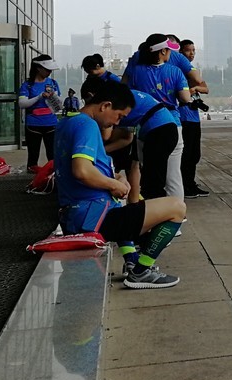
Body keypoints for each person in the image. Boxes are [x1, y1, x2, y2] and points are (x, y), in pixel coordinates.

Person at [55, 78, 186, 289]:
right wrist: (113, 185)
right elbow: (81, 171)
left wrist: (114, 179)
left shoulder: (68, 123)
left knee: (124, 206)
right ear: (105, 105)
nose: (117, 123)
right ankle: (143, 271)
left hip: (79, 214)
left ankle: (132, 260)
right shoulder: (86, 125)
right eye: (119, 116)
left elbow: (85, 169)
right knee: (177, 208)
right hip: (93, 218)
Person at [126, 34, 191, 199]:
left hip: (144, 125)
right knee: (173, 175)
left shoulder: (136, 71)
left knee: (146, 170)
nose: (170, 52)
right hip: (171, 122)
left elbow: (126, 88)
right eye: (168, 49)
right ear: (163, 51)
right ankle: (175, 215)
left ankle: (149, 211)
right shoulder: (175, 71)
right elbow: (185, 98)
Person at [177, 39, 210, 198]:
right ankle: (184, 185)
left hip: (194, 117)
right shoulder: (178, 70)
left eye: (193, 50)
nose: (192, 54)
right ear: (180, 53)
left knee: (194, 153)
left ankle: (190, 183)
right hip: (183, 116)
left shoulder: (192, 71)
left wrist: (195, 88)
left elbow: (205, 88)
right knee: (186, 153)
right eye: (188, 50)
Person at [18, 54, 62, 170]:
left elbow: (58, 107)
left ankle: (53, 177)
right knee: (33, 155)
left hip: (51, 123)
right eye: (47, 70)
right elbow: (22, 104)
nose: (49, 72)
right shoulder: (27, 85)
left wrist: (52, 97)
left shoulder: (52, 83)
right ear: (38, 68)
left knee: (52, 155)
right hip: (33, 124)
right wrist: (39, 97)